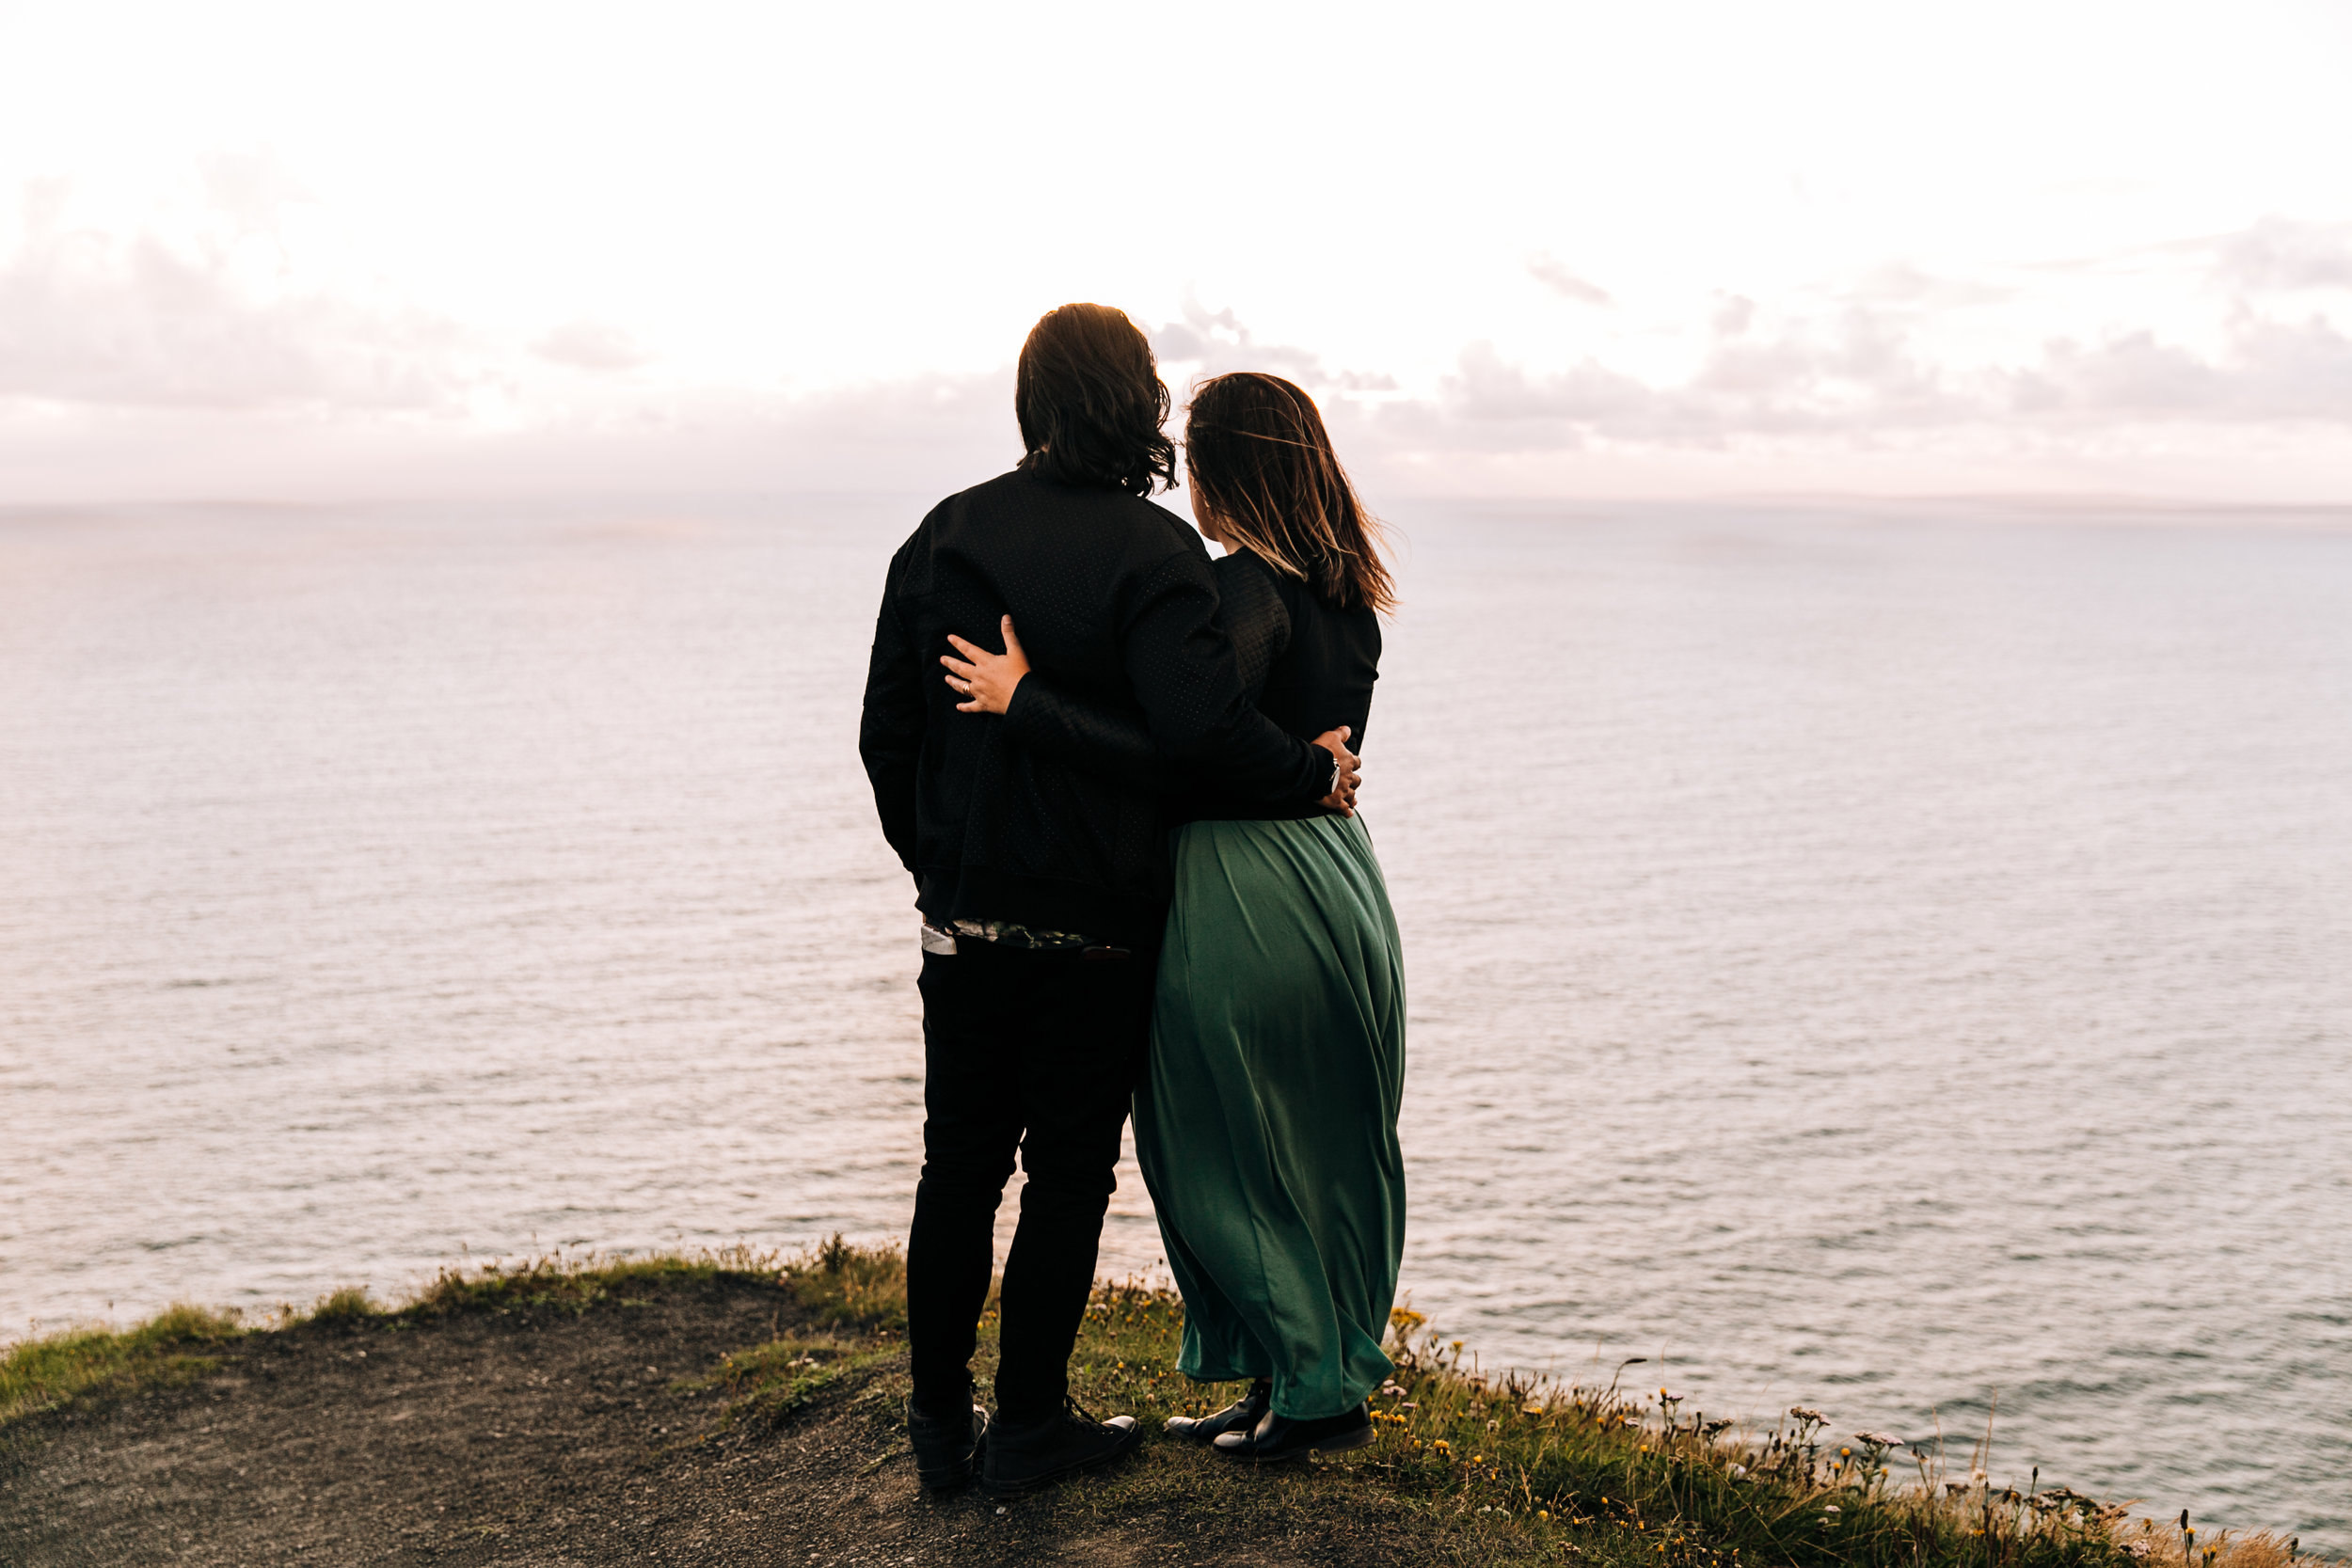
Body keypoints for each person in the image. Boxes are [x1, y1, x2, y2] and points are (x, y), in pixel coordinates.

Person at [857, 308, 1362, 1497]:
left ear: (1034, 402)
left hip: (966, 922)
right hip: (1097, 928)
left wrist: (939, 865)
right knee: (1068, 1173)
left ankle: (939, 1427)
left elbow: (887, 734)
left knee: (957, 1167)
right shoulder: (1153, 554)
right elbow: (1195, 740)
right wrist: (1311, 772)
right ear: (1136, 405)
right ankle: (1029, 1423)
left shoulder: (943, 534)